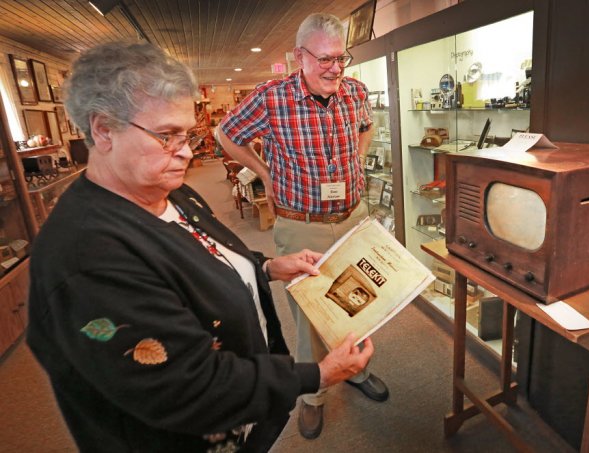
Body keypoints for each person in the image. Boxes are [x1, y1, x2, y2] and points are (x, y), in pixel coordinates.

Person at [26, 41, 374, 453]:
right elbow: (188, 387)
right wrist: (316, 376)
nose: (188, 152)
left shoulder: (168, 192)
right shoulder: (87, 258)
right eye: (167, 136)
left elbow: (201, 257)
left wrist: (265, 267)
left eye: (187, 135)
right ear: (103, 130)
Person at [216, 12, 388, 440]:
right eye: (325, 58)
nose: (335, 68)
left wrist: (357, 162)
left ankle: (355, 369)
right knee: (311, 313)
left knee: (358, 300)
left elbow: (366, 127)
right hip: (300, 224)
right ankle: (313, 395)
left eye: (341, 58)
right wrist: (264, 173)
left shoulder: (355, 91)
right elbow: (226, 134)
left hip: (352, 216)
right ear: (300, 56)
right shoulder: (271, 96)